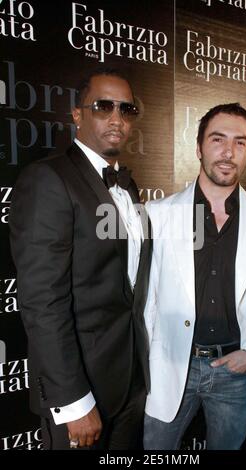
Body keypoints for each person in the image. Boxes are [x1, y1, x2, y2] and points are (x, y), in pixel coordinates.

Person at [9, 68, 152, 450]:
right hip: (82, 391)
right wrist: (73, 400)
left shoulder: (128, 185)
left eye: (127, 109)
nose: (117, 118)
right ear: (77, 115)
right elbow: (42, 300)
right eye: (103, 106)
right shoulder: (49, 179)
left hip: (131, 382)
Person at [143, 103, 246, 450]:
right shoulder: (158, 215)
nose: (228, 152)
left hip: (236, 371)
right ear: (199, 147)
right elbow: (144, 300)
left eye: (240, 142)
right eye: (218, 139)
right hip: (170, 368)